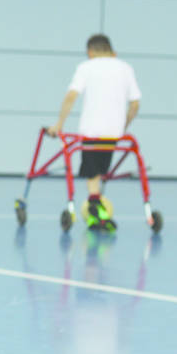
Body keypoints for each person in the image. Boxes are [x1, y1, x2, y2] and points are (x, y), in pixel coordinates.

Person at [47, 33, 141, 231]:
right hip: (114, 133)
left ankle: (94, 210)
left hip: (91, 130)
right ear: (112, 52)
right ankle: (98, 208)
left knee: (91, 173)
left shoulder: (86, 67)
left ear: (90, 52)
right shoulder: (125, 68)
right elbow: (135, 104)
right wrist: (123, 126)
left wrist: (59, 124)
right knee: (99, 171)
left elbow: (71, 95)